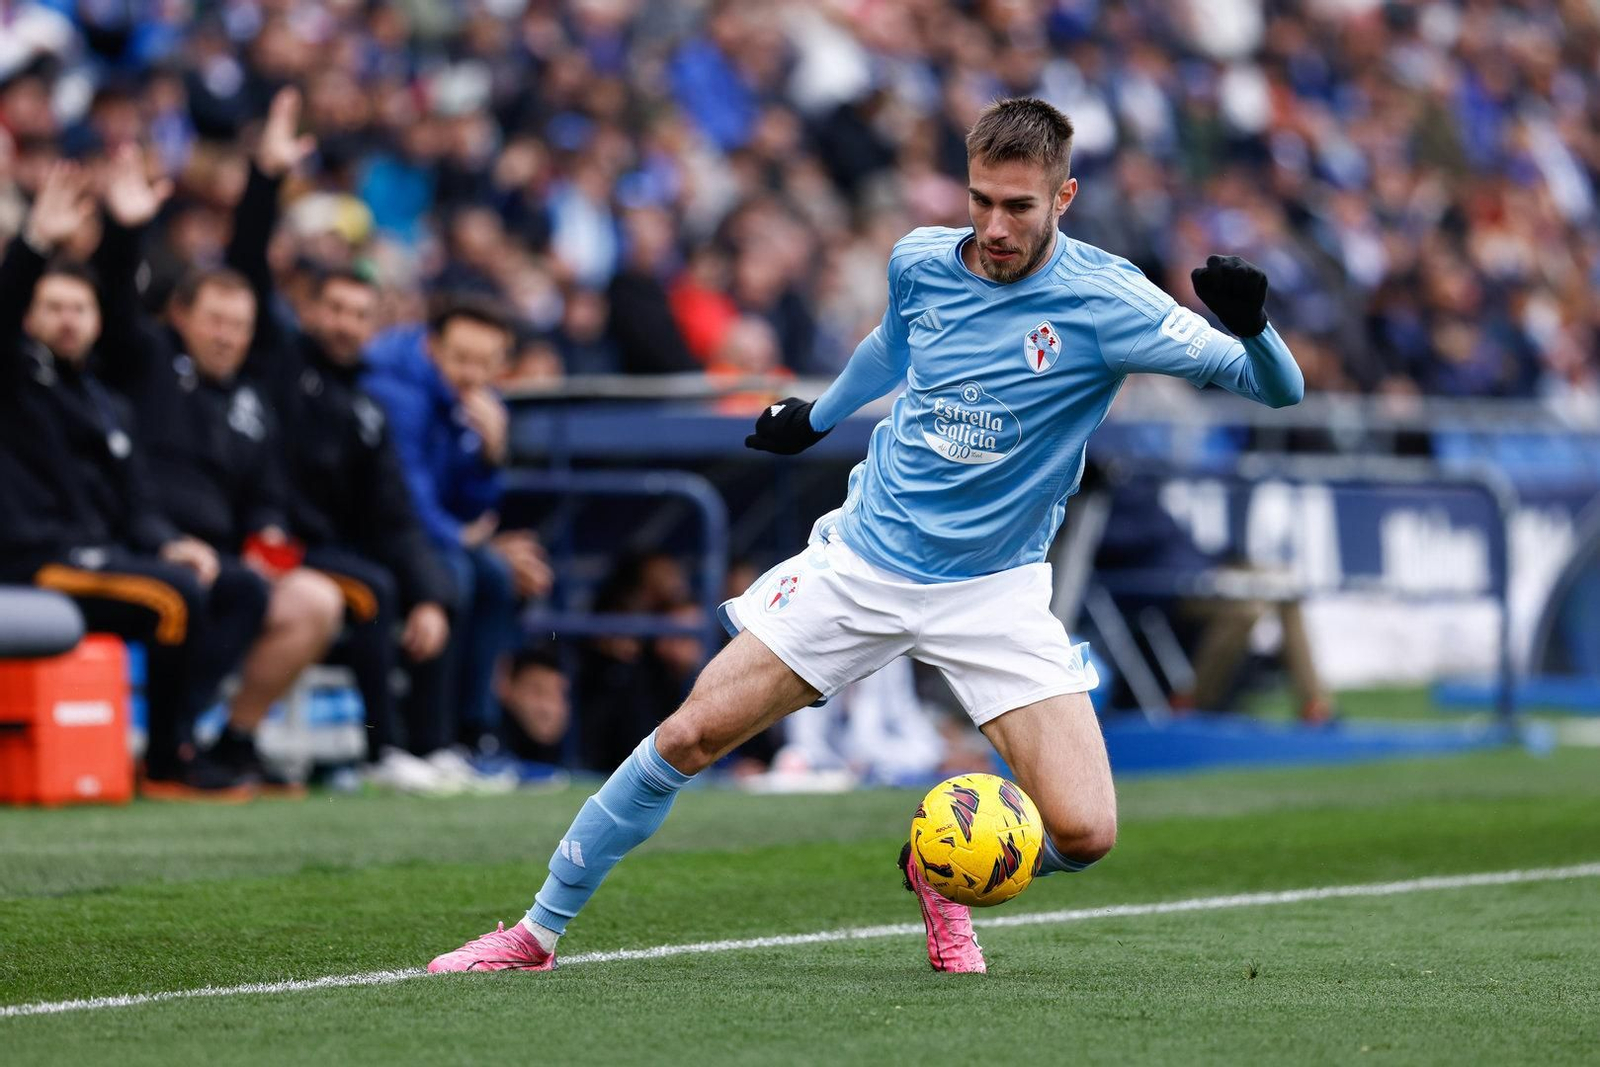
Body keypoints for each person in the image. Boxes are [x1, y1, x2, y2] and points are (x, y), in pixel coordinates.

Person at [429, 97, 1304, 975]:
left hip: (992, 590)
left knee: (1084, 831)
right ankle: (534, 933)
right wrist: (819, 415)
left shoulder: (1108, 299)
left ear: (1064, 197)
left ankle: (939, 872)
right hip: (862, 561)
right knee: (687, 735)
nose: (995, 226)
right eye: (981, 201)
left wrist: (1255, 330)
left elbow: (1277, 390)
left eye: (1019, 207)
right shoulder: (921, 260)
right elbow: (891, 346)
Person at [0, 163, 268, 795]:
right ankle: (168, 762)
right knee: (174, 598)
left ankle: (175, 733)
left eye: (79, 309)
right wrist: (34, 246)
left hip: (103, 553)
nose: (68, 320)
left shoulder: (103, 397)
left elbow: (135, 498)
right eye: (53, 308)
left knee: (241, 588)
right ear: (30, 315)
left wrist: (169, 540)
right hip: (37, 558)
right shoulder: (12, 381)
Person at [91, 141, 346, 792]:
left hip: (229, 557)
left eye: (240, 324)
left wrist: (268, 536)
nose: (228, 335)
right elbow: (115, 306)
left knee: (315, 599)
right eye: (215, 321)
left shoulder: (250, 397)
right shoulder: (147, 361)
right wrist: (125, 229)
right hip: (144, 541)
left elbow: (267, 493)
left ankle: (232, 739)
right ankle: (172, 744)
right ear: (180, 316)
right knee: (233, 590)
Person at [230, 89, 462, 792]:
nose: (344, 322)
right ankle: (380, 753)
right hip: (273, 540)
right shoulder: (278, 357)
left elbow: (393, 511)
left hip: (329, 547)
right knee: (373, 591)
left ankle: (434, 745)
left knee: (435, 580)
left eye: (359, 313)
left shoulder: (366, 405)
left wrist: (431, 595)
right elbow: (244, 267)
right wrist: (266, 182)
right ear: (308, 308)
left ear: (374, 321)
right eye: (332, 308)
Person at [364, 297, 553, 761]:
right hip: (380, 536)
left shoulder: (473, 402)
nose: (471, 373)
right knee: (460, 572)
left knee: (494, 572)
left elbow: (475, 506)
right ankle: (436, 738)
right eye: (461, 358)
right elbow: (405, 499)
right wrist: (463, 537)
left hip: (432, 536)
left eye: (484, 362)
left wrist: (492, 454)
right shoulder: (398, 392)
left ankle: (477, 731)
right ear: (432, 347)